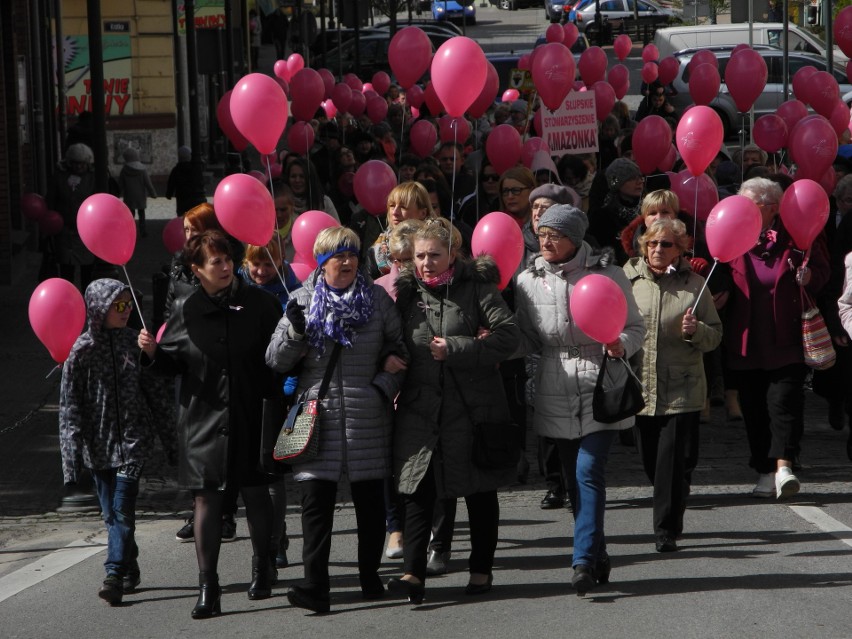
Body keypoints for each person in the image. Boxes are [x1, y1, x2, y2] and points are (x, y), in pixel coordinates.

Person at [138, 230, 283, 618]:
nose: (224, 267)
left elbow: (282, 358)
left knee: (256, 493)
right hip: (202, 421)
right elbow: (172, 365)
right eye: (214, 262)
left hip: (252, 413)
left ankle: (262, 567)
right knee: (206, 499)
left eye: (226, 259)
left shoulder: (262, 304)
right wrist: (153, 353)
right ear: (196, 270)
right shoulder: (185, 310)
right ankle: (209, 587)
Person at [265, 227, 407, 613]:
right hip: (317, 417)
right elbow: (275, 360)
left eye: (351, 255)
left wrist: (382, 386)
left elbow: (400, 349)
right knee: (315, 508)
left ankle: (368, 576)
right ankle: (315, 587)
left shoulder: (376, 299)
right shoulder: (301, 300)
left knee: (371, 507)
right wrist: (294, 330)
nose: (346, 262)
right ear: (321, 262)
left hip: (367, 415)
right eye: (336, 256)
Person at [514, 205, 646, 594]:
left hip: (602, 383)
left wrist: (620, 343)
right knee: (572, 479)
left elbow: (635, 327)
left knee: (589, 471)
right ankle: (598, 552)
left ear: (575, 237)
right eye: (541, 234)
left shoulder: (609, 274)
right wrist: (494, 341)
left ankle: (582, 560)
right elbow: (527, 337)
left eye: (555, 234)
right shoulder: (527, 281)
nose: (546, 241)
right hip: (554, 384)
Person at [388, 218, 520, 603]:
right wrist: (390, 360)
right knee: (417, 491)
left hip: (473, 409)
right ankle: (413, 573)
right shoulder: (406, 296)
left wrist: (459, 348)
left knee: (478, 492)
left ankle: (480, 571)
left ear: (453, 255)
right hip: (421, 411)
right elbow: (392, 340)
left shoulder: (477, 288)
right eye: (420, 256)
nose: (427, 263)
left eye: (434, 255)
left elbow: (508, 337)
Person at [60, 278, 177, 605]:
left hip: (134, 442)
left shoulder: (135, 344)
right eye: (119, 306)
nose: (126, 312)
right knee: (111, 514)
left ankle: (113, 572)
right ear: (99, 309)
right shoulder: (80, 352)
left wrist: (171, 443)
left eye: (129, 305)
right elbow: (70, 408)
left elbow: (157, 396)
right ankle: (129, 564)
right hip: (98, 448)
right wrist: (71, 462)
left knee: (122, 510)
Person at [725, 178, 830, 498]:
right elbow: (715, 267)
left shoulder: (797, 235)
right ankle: (763, 469)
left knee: (784, 404)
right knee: (754, 408)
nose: (741, 209)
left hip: (787, 339)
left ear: (772, 209)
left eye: (750, 204)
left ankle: (784, 466)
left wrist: (810, 276)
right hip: (745, 340)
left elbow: (824, 272)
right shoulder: (733, 234)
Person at [624, 219, 722, 552]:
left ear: (680, 249)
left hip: (682, 388)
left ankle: (664, 530)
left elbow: (715, 336)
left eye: (666, 244)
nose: (657, 250)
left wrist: (696, 331)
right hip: (641, 388)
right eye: (652, 243)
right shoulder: (628, 280)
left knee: (669, 461)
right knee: (653, 463)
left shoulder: (695, 285)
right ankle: (675, 495)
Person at [48, 143, 100, 291]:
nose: (78, 167)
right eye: (75, 163)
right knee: (66, 270)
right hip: (64, 230)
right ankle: (68, 297)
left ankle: (86, 297)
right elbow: (51, 198)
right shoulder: (60, 176)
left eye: (82, 163)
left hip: (86, 231)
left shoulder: (93, 177)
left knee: (87, 270)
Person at [366, 181, 437, 279]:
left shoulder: (439, 244)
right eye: (392, 206)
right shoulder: (375, 251)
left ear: (423, 213)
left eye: (403, 207)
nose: (395, 212)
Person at [588, 158, 645, 264]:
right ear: (617, 183)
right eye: (632, 178)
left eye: (640, 177)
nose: (639, 182)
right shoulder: (602, 217)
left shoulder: (649, 209)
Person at [285, 156, 340, 221]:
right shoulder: (282, 204)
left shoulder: (324, 202)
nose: (297, 180)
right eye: (293, 176)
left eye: (302, 176)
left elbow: (337, 230)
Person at [118, 147, 157, 237]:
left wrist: (117, 194)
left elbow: (120, 184)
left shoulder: (124, 170)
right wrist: (153, 194)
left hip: (129, 197)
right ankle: (143, 231)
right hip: (140, 197)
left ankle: (130, 231)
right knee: (141, 214)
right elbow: (148, 183)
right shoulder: (142, 170)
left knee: (130, 215)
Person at [166, 146, 206, 217]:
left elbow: (171, 184)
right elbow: (200, 182)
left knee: (182, 216)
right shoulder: (194, 169)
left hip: (181, 198)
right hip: (193, 199)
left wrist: (169, 194)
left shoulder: (176, 170)